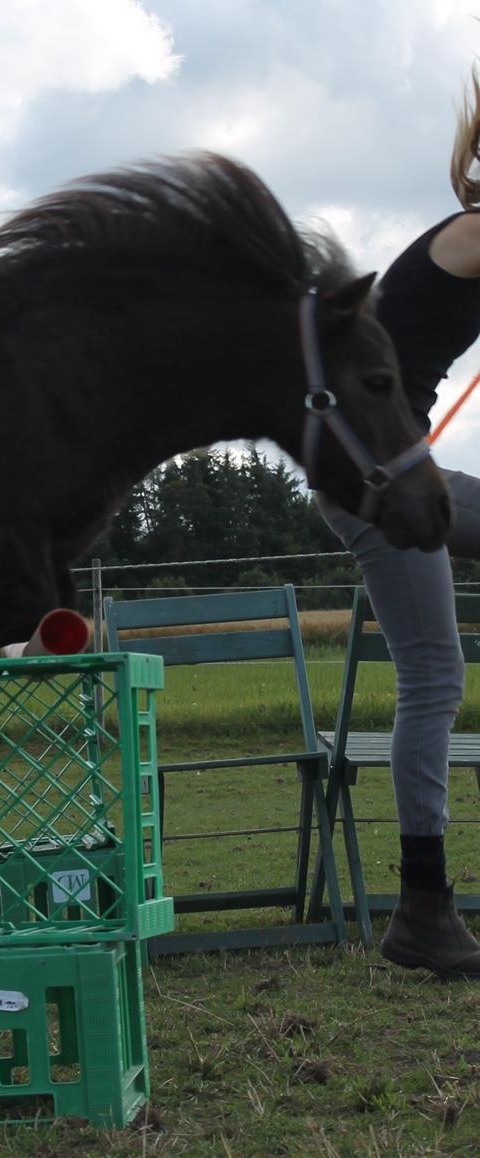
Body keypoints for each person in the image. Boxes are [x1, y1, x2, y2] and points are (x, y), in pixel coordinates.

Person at [316, 71, 480, 979]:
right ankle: (424, 909)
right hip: (378, 481)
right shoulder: (470, 233)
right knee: (432, 675)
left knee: (434, 674)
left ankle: (425, 910)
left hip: (399, 473)